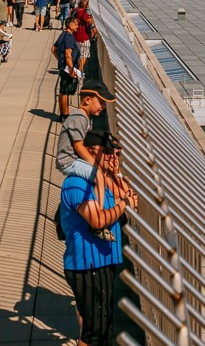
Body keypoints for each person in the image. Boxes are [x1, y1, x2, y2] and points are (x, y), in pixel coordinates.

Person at [60, 129, 137, 346]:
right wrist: (124, 204)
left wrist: (118, 172)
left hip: (103, 262)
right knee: (94, 332)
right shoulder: (78, 184)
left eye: (117, 153)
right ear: (92, 151)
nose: (114, 157)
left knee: (104, 327)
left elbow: (132, 199)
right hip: (86, 265)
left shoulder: (106, 179)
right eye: (109, 152)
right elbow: (98, 221)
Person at [56, 79, 116, 180]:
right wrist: (94, 165)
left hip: (74, 159)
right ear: (87, 100)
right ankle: (101, 196)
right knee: (99, 175)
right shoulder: (80, 118)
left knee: (104, 171)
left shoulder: (86, 117)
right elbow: (78, 146)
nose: (104, 107)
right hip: (68, 162)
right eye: (101, 102)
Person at [53, 16, 83, 121]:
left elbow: (53, 49)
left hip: (63, 67)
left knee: (62, 91)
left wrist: (60, 61)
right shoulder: (69, 38)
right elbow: (68, 53)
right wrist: (71, 68)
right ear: (70, 25)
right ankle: (65, 115)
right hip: (68, 69)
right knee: (66, 91)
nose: (77, 26)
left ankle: (62, 114)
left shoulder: (62, 35)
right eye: (76, 24)